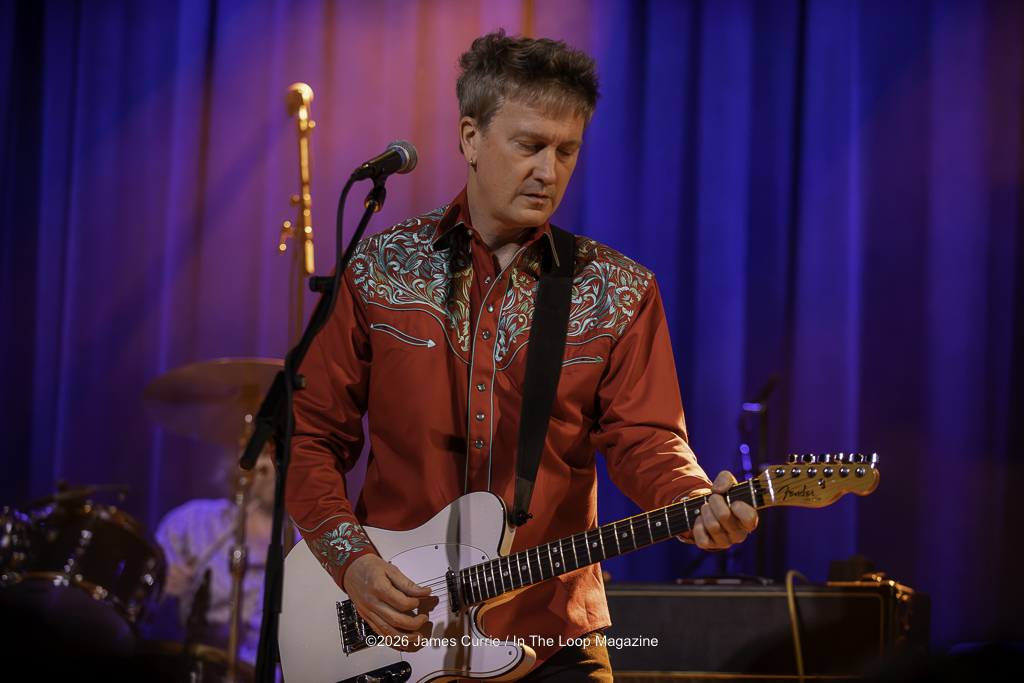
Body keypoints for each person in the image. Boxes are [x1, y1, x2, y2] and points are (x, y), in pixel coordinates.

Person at [287, 30, 758, 681]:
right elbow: (308, 436)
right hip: (394, 623)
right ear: (471, 137)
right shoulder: (378, 266)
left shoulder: (616, 290)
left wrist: (696, 498)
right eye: (530, 145)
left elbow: (647, 440)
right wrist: (352, 562)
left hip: (552, 631)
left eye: (567, 151)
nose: (549, 171)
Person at [153, 449, 276, 669]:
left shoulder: (311, 546)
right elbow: (138, 604)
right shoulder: (193, 523)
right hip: (194, 666)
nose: (275, 466)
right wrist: (163, 585)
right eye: (268, 453)